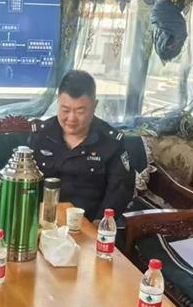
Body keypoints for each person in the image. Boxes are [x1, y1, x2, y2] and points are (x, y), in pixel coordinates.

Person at [29, 70, 135, 222]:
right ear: (58, 102)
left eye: (80, 111)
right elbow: (25, 184)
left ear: (95, 105)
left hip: (88, 223)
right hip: (42, 221)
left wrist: (99, 224)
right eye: (65, 110)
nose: (71, 118)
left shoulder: (110, 142)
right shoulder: (40, 135)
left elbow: (119, 192)